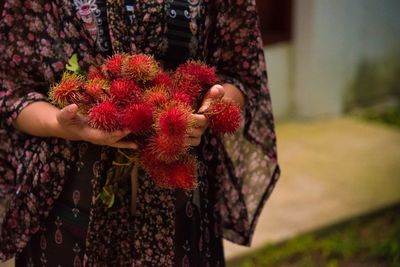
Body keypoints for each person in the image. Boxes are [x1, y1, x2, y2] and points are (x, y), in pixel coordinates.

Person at [0, 0, 280, 266]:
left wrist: (209, 111)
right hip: (67, 210)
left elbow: (240, 73)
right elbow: (12, 91)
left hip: (181, 210)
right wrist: (59, 124)